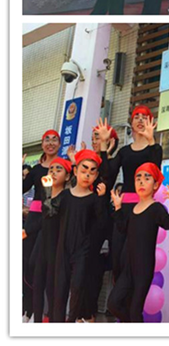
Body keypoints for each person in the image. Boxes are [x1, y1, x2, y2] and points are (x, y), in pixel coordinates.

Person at [95, 107, 162, 281]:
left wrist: (151, 140)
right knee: (117, 257)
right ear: (131, 123)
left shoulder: (154, 149)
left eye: (144, 117)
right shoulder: (124, 151)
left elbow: (155, 171)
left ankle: (134, 297)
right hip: (123, 208)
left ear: (151, 122)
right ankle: (119, 296)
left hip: (144, 209)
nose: (140, 120)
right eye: (136, 117)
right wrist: (103, 144)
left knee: (137, 258)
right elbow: (107, 173)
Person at [107, 163, 169, 322]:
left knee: (135, 310)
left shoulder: (156, 208)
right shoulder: (133, 209)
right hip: (128, 268)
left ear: (156, 185)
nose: (141, 181)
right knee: (113, 303)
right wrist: (118, 207)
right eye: (138, 178)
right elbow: (122, 228)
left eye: (147, 178)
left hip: (143, 269)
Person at [51, 150, 106, 322]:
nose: (87, 174)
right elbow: (49, 215)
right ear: (75, 171)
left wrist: (102, 199)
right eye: (84, 169)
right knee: (59, 291)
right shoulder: (64, 196)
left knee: (77, 290)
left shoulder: (94, 199)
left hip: (83, 251)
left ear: (96, 175)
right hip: (63, 250)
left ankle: (72, 323)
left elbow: (103, 225)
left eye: (92, 171)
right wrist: (49, 190)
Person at [22, 130, 61, 321]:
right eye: (47, 140)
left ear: (59, 144)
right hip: (33, 219)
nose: (50, 143)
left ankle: (43, 312)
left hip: (51, 220)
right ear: (42, 143)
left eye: (54, 140)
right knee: (26, 263)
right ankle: (27, 309)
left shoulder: (62, 167)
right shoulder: (36, 170)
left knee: (41, 265)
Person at [33, 158, 72, 323]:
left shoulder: (67, 196)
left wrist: (48, 193)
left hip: (57, 247)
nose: (53, 172)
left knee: (52, 289)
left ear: (68, 176)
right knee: (37, 285)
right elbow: (43, 219)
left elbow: (51, 214)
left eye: (58, 169)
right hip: (44, 243)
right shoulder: (45, 193)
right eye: (51, 169)